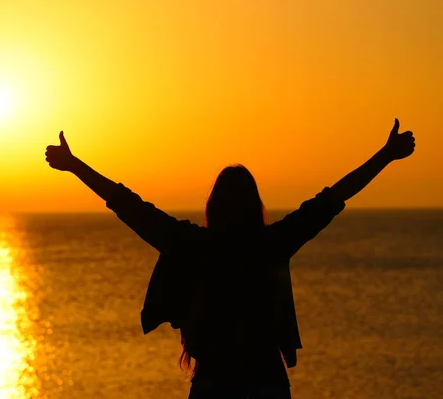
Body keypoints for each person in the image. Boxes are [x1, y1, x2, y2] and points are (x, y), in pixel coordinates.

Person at [45, 119, 415, 399]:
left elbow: (129, 205)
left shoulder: (192, 244)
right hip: (266, 383)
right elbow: (331, 199)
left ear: (213, 206)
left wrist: (75, 165)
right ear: (255, 206)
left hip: (214, 385)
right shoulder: (271, 243)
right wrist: (385, 155)